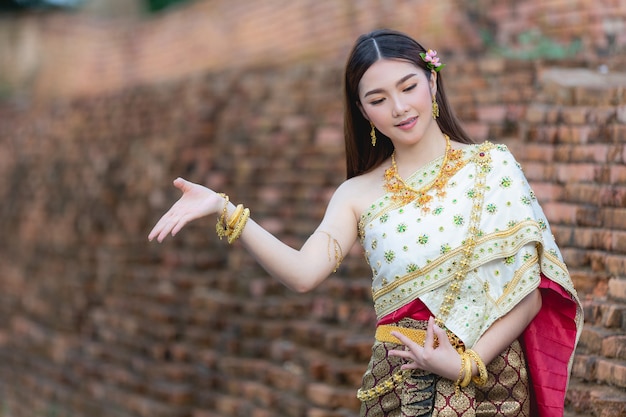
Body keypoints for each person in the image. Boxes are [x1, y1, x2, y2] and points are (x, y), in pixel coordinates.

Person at [149, 29, 582, 417]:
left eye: (408, 86)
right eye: (377, 100)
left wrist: (465, 363)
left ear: (432, 81)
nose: (399, 108)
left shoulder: (492, 166)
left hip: (492, 380)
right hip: (398, 387)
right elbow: (303, 275)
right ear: (363, 111)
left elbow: (530, 292)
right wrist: (227, 212)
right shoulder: (356, 195)